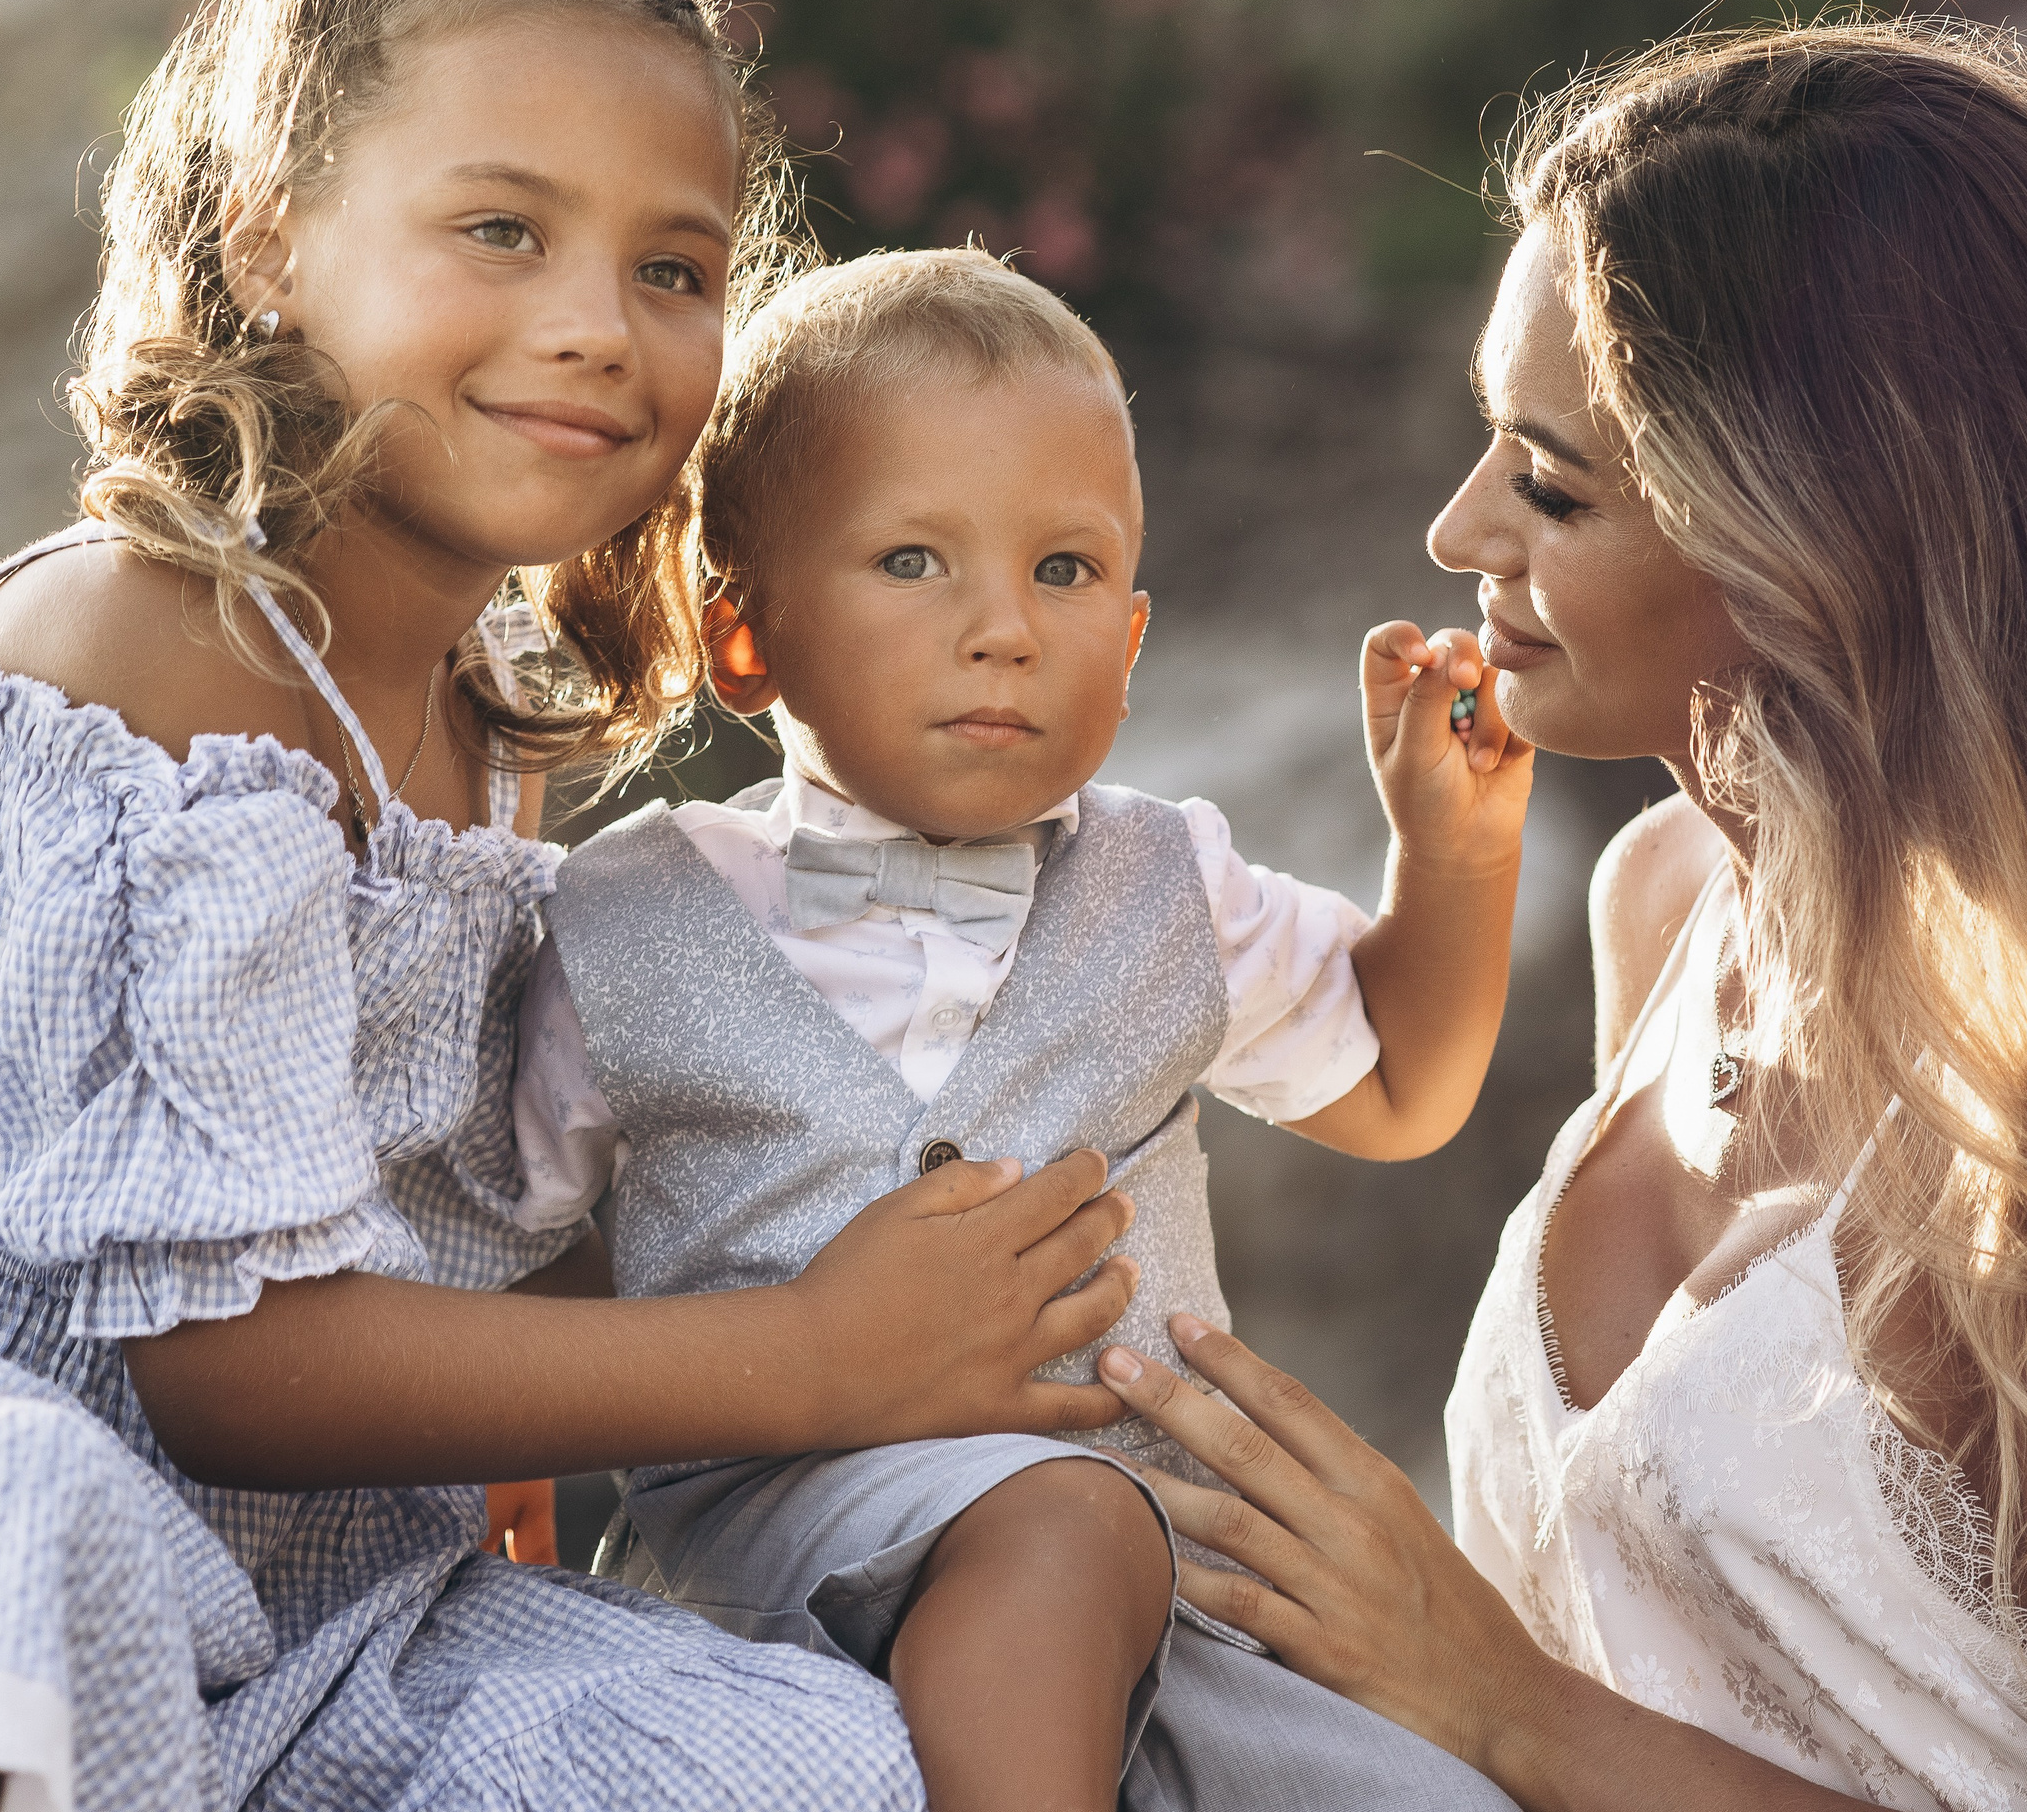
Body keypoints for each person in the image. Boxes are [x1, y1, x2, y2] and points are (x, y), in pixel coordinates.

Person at [0, 0, 1147, 1812]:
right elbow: (228, 1361)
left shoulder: (476, 697)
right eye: (501, 231)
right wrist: (815, 1354)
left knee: (805, 1770)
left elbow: (421, 1193)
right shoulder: (157, 658)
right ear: (269, 245)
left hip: (304, 1609)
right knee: (0, 1508)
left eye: (673, 269)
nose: (597, 326)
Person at [1086, 18, 2027, 1810]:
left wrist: (1494, 1695)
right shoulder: (1663, 900)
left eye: (1551, 482)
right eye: (1486, 445)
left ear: (1821, 530)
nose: (1460, 530)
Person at [506, 247, 1535, 1811]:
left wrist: (1453, 860)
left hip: (1176, 1585)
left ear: (1127, 645)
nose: (1004, 628)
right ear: (746, 636)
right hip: (787, 1548)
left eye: (1064, 571)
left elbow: (1400, 1081)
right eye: (915, 560)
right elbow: (499, 1262)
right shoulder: (624, 916)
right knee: (1051, 1527)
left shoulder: (1167, 883)